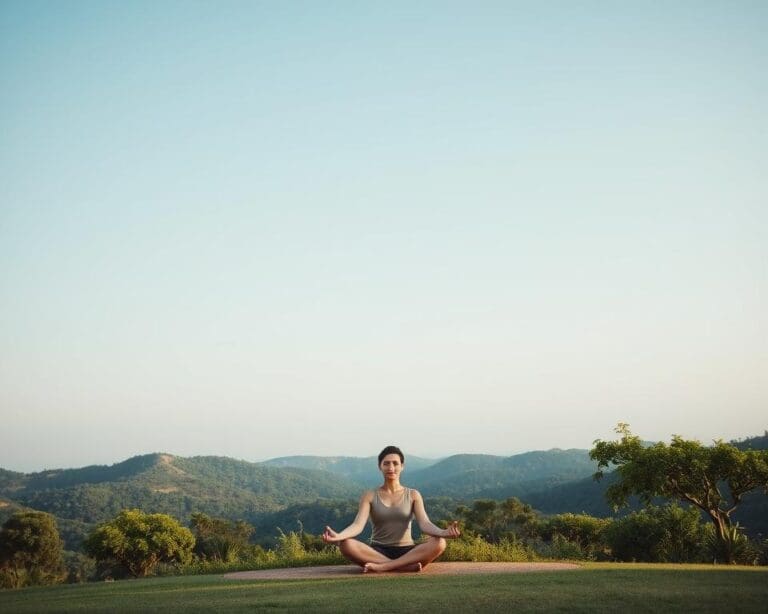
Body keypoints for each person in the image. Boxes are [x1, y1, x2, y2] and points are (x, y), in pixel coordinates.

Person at [322, 445, 460, 572]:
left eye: (395, 463)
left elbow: (425, 524)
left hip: (408, 551)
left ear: (402, 466)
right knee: (345, 544)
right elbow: (358, 525)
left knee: (439, 543)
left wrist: (443, 533)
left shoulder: (413, 495)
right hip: (378, 551)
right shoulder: (369, 495)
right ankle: (403, 567)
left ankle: (386, 567)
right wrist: (339, 537)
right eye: (386, 463)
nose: (391, 467)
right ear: (380, 466)